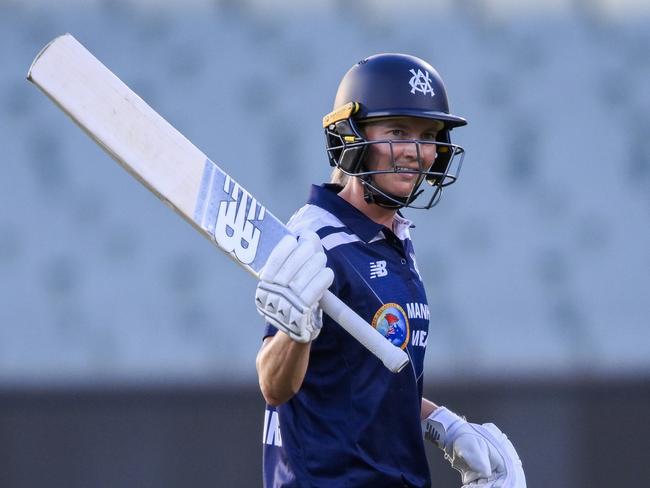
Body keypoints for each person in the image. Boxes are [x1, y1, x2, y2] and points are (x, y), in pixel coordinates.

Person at [254, 53, 526, 487]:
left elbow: (361, 381)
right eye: (397, 131)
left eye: (428, 135)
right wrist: (294, 330)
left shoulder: (394, 235)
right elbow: (274, 384)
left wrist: (444, 424)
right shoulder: (315, 240)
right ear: (350, 136)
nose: (416, 152)